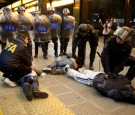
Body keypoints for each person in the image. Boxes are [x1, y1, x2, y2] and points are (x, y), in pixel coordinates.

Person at [0, 33, 48, 101]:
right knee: (31, 72)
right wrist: (35, 70)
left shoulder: (11, 43)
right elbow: (29, 63)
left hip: (2, 66)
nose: (28, 41)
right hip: (12, 66)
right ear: (24, 39)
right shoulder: (22, 46)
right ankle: (36, 90)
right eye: (27, 39)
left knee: (21, 77)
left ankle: (8, 79)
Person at [64, 66, 135, 104]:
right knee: (79, 77)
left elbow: (118, 75)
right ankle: (68, 70)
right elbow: (104, 90)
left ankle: (81, 69)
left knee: (89, 72)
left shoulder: (127, 82)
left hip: (101, 74)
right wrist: (96, 83)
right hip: (95, 79)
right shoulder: (119, 94)